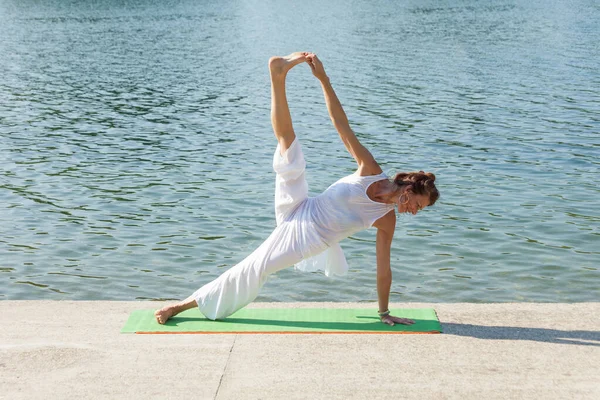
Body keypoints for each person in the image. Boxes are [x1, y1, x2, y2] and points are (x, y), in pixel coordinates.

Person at [155, 52, 439, 326]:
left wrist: (385, 311)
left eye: (419, 211)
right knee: (290, 152)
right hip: (301, 206)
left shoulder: (386, 219)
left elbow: (383, 271)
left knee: (256, 267)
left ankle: (180, 306)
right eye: (418, 204)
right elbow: (341, 124)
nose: (414, 212)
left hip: (307, 237)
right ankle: (278, 74)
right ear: (409, 189)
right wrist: (323, 79)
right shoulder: (370, 171)